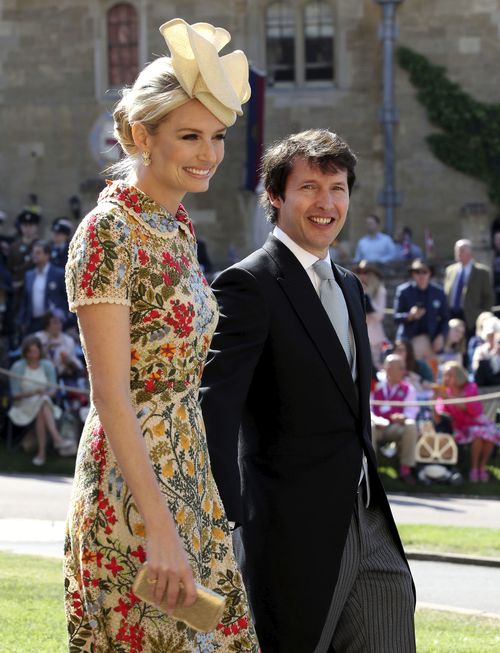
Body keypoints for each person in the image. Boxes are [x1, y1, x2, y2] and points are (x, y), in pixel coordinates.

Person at [62, 18, 258, 652]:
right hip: (133, 489)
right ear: (141, 136)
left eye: (218, 137)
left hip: (190, 472)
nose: (209, 153)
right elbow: (111, 397)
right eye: (190, 136)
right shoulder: (107, 233)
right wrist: (161, 527)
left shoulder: (177, 232)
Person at [201, 129, 415, 652]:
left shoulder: (348, 283)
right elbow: (216, 411)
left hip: (369, 520)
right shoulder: (246, 285)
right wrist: (222, 526)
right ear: (275, 196)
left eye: (338, 188)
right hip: (290, 532)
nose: (327, 203)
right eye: (309, 187)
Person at [7, 335, 73, 465]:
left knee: (42, 404)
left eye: (35, 352)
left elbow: (53, 390)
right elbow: (14, 394)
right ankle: (57, 439)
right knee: (42, 402)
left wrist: (45, 393)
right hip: (23, 406)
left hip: (44, 405)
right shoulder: (17, 367)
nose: (33, 355)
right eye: (30, 352)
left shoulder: (47, 366)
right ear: (25, 353)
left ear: (40, 352)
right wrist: (32, 393)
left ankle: (41, 453)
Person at [435, 360, 500, 482]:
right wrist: (436, 398)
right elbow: (440, 414)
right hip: (460, 427)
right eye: (445, 375)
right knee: (478, 435)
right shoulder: (445, 392)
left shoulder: (470, 388)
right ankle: (474, 468)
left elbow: (474, 411)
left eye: (450, 375)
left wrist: (449, 398)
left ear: (458, 375)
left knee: (488, 435)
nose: (447, 378)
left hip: (477, 422)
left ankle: (482, 467)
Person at [371, 354, 419, 484]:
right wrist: (376, 420)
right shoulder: (375, 386)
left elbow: (412, 410)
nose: (404, 371)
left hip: (395, 427)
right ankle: (371, 470)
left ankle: (405, 469)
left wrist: (404, 417)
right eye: (400, 368)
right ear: (388, 368)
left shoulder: (408, 388)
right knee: (369, 426)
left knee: (410, 425)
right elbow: (367, 409)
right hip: (376, 427)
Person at [393, 258, 449, 361]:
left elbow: (445, 319)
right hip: (409, 340)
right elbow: (396, 317)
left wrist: (441, 336)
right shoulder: (403, 291)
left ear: (430, 273)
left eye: (424, 271)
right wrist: (409, 316)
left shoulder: (438, 292)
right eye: (417, 272)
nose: (421, 275)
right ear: (412, 274)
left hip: (431, 341)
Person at [444, 239, 494, 338]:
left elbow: (488, 297)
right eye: (456, 250)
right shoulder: (450, 270)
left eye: (461, 250)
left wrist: (482, 316)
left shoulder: (482, 272)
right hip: (452, 316)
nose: (458, 253)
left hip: (472, 318)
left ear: (470, 252)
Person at [18, 239, 68, 334]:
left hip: (52, 323)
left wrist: (65, 317)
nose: (34, 255)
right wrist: (22, 321)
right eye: (33, 252)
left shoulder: (58, 274)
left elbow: (66, 298)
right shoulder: (29, 275)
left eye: (38, 253)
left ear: (47, 255)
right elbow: (25, 300)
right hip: (32, 322)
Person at [354, 259, 388, 368]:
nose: (361, 275)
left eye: (365, 272)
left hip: (374, 338)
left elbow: (379, 315)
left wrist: (367, 296)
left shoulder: (380, 290)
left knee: (375, 369)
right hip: (358, 336)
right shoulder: (354, 288)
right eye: (359, 271)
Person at [34, 309, 83, 382]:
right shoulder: (38, 337)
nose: (58, 325)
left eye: (60, 322)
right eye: (55, 322)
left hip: (63, 376)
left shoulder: (69, 340)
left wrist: (68, 362)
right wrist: (47, 347)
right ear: (47, 324)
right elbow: (34, 358)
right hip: (42, 376)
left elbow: (77, 363)